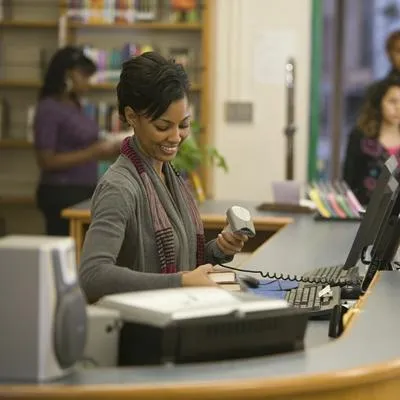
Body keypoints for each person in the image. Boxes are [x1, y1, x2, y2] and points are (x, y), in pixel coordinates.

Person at [79, 52, 248, 304]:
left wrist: (219, 250)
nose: (176, 137)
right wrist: (180, 282)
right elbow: (92, 276)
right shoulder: (119, 187)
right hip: (142, 331)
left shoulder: (168, 175)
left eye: (183, 125)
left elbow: (183, 261)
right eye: (162, 126)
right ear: (132, 117)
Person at [34, 46, 121, 236]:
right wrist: (94, 152)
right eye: (84, 76)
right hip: (61, 194)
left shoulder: (75, 105)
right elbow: (46, 160)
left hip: (83, 191)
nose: (88, 83)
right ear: (68, 76)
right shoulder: (49, 108)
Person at [343, 77, 400, 205]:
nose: (398, 108)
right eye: (392, 101)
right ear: (379, 102)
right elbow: (348, 181)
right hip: (363, 213)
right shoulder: (359, 137)